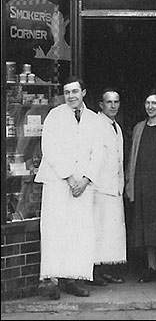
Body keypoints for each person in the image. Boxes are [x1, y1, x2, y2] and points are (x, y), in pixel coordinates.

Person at [35, 76, 103, 299]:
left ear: (83, 92)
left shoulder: (94, 119)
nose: (71, 96)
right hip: (58, 183)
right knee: (56, 231)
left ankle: (72, 279)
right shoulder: (55, 116)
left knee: (78, 232)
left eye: (75, 91)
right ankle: (51, 281)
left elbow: (99, 153)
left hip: (83, 186)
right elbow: (50, 149)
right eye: (67, 92)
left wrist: (84, 180)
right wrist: (69, 178)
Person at [125, 89, 156, 285]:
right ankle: (151, 267)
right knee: (145, 228)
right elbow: (132, 157)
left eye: (154, 103)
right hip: (142, 182)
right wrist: (130, 183)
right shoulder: (138, 128)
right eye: (147, 103)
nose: (151, 107)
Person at [91, 87, 127, 286]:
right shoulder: (97, 124)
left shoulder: (116, 126)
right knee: (99, 230)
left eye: (116, 102)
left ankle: (106, 270)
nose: (113, 105)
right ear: (101, 105)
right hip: (99, 187)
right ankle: (95, 271)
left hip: (114, 187)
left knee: (111, 232)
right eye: (109, 102)